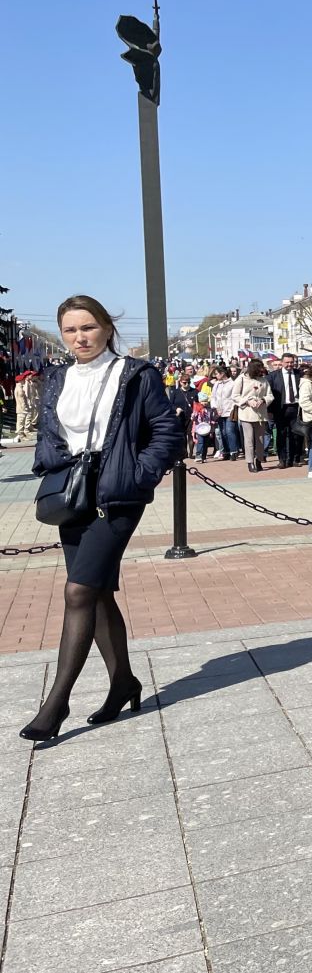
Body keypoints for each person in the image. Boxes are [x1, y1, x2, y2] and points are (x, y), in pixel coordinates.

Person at [21, 295, 183, 741]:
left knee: (78, 591)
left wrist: (139, 475)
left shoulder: (135, 375)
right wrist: (48, 465)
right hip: (72, 495)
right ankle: (123, 683)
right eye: (71, 330)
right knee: (95, 594)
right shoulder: (57, 378)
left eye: (88, 327)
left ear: (107, 328)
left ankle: (55, 703)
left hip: (117, 496)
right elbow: (49, 431)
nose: (80, 337)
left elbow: (167, 432)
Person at [234, 359, 271, 471]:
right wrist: (247, 401)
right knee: (249, 439)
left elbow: (270, 395)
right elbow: (235, 396)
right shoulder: (241, 379)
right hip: (246, 414)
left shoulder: (264, 380)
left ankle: (259, 460)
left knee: (260, 439)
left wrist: (263, 400)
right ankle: (250, 462)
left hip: (260, 414)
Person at [269, 355, 302, 468]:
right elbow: (270, 393)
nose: (289, 365)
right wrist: (270, 410)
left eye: (291, 362)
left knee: (295, 435)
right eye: (287, 362)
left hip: (295, 407)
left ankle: (293, 459)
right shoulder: (273, 376)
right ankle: (282, 459)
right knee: (281, 434)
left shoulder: (299, 374)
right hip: (281, 409)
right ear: (282, 363)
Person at [208, 364, 239, 461]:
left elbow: (234, 397)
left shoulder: (232, 383)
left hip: (229, 411)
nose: (215, 376)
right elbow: (213, 397)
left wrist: (233, 408)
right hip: (219, 412)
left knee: (230, 431)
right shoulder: (217, 384)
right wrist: (215, 407)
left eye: (217, 374)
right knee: (223, 432)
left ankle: (234, 451)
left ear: (223, 373)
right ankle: (225, 451)